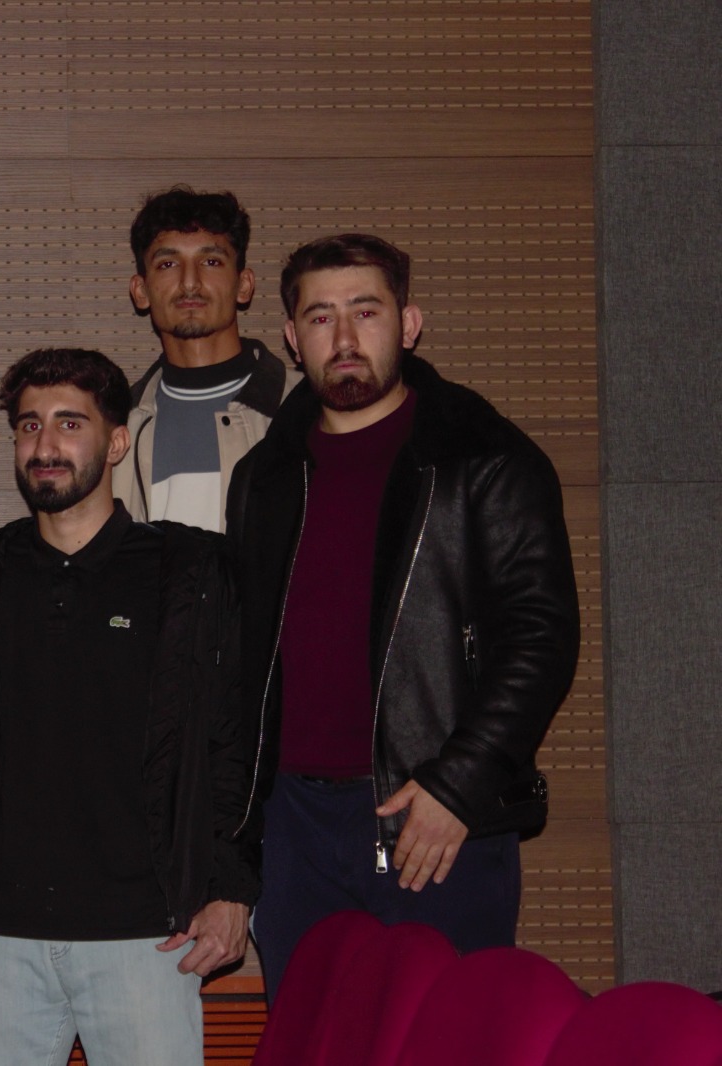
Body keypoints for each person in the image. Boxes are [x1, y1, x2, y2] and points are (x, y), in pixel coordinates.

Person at [226, 233, 580, 1003]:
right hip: (296, 828)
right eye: (320, 318)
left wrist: (458, 786)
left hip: (433, 816)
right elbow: (249, 663)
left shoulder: (484, 457)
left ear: (409, 324)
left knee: (440, 1037)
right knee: (313, 1044)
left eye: (366, 312)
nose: (344, 338)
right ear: (292, 338)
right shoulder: (264, 478)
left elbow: (541, 636)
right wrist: (250, 829)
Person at [0, 348, 260, 1065]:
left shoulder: (189, 570)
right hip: (1, 934)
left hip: (148, 932)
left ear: (116, 442)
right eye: (29, 425)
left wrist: (230, 885)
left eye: (69, 424)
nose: (45, 445)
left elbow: (231, 738)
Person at [117, 186, 302, 531]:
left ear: (244, 285)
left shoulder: (305, 409)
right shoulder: (117, 429)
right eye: (168, 264)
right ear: (141, 291)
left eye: (211, 262)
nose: (190, 282)